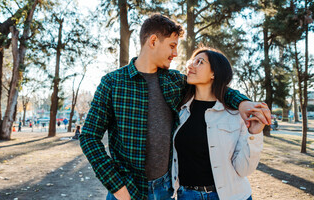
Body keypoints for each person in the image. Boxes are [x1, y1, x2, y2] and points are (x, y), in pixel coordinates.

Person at [80, 14, 271, 200]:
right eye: (172, 46)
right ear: (153, 41)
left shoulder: (175, 81)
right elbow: (89, 136)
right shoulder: (112, 83)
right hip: (127, 189)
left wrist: (243, 103)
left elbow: (217, 88)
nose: (176, 53)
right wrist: (117, 187)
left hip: (166, 190)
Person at [171, 48, 264, 200]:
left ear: (214, 73)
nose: (191, 66)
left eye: (200, 62)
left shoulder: (235, 113)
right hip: (186, 195)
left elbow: (243, 170)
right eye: (191, 62)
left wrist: (254, 135)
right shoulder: (179, 110)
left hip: (231, 195)